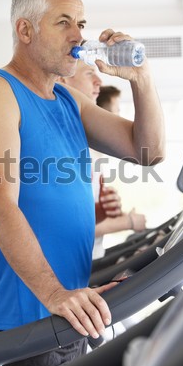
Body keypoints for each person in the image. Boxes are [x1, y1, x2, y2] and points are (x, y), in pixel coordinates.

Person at [0, 0, 165, 366]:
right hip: (29, 317)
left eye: (82, 24)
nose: (78, 35)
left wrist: (142, 80)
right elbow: (0, 207)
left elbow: (149, 152)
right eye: (64, 22)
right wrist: (54, 293)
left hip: (68, 311)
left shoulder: (69, 100)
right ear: (25, 30)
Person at [60, 70, 147, 259]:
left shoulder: (94, 158)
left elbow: (88, 214)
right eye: (116, 113)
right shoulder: (77, 155)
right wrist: (128, 222)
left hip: (90, 258)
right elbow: (73, 226)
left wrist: (108, 209)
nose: (121, 119)